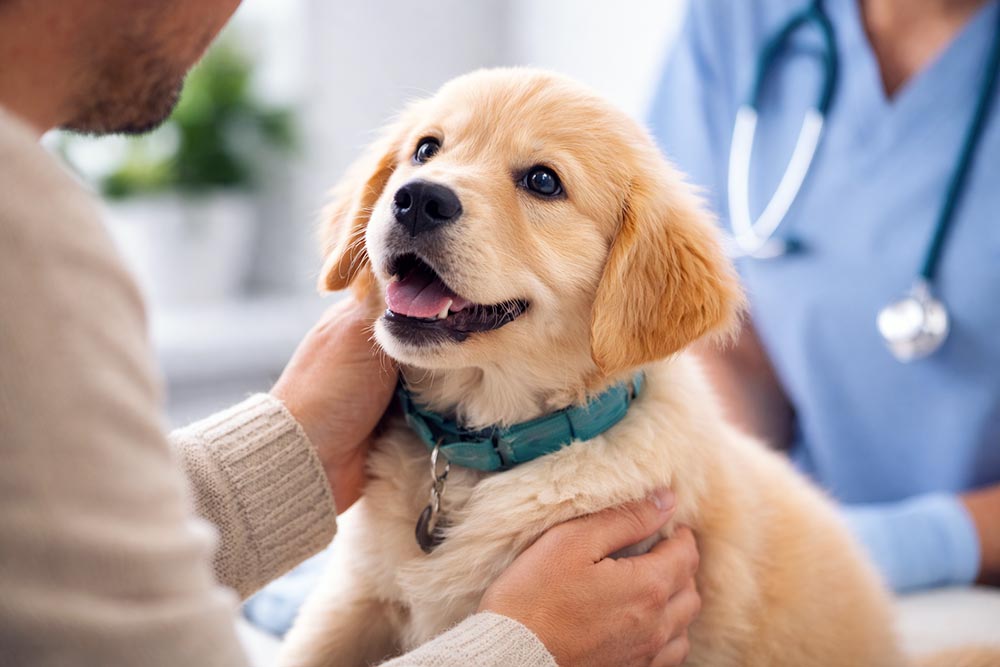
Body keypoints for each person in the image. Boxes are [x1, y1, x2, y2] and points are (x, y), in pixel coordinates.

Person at [0, 1, 702, 666]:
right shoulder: (26, 233)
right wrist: (524, 649)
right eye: (428, 148)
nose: (428, 188)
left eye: (543, 181)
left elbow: (47, 564)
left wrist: (294, 446)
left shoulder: (663, 502)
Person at [649, 0, 1000, 594]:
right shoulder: (740, 19)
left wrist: (910, 545)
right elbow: (720, 335)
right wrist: (738, 518)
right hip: (803, 575)